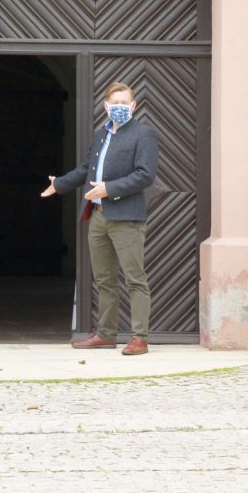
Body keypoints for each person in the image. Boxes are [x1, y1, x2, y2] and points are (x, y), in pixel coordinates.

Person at [40, 81, 158, 355]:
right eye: (114, 103)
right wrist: (60, 184)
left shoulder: (144, 134)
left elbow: (145, 174)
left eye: (123, 103)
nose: (118, 108)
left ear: (133, 106)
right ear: (106, 106)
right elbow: (86, 169)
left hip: (126, 216)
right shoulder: (100, 135)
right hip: (98, 215)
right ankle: (106, 333)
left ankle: (139, 337)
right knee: (104, 279)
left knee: (134, 279)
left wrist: (110, 189)